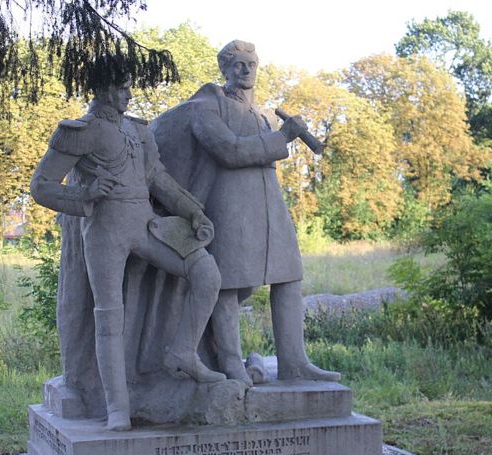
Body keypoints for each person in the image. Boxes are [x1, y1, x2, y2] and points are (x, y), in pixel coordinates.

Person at [30, 76, 225, 432]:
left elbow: (159, 180)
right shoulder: (80, 131)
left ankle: (183, 352)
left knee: (206, 273)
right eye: (121, 88)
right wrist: (85, 194)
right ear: (102, 89)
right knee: (108, 316)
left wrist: (193, 212)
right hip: (105, 231)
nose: (129, 94)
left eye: (129, 87)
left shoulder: (138, 131)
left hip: (147, 225)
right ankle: (117, 407)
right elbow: (41, 186)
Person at [152, 40, 340, 385]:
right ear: (224, 68)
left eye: (251, 64)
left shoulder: (264, 115)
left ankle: (294, 362)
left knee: (289, 275)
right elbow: (229, 150)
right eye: (238, 64)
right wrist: (283, 137)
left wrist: (280, 135)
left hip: (269, 203)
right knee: (229, 279)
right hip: (229, 202)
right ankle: (231, 364)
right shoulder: (207, 106)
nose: (246, 69)